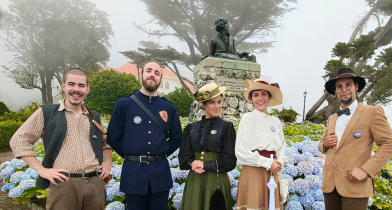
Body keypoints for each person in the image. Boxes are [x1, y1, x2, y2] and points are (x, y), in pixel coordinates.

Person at [10, 68, 112, 210]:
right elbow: (19, 140)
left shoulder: (94, 117)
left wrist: (107, 162)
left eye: (81, 85)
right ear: (64, 86)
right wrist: (42, 170)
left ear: (87, 89)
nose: (76, 89)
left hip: (95, 183)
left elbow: (107, 141)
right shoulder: (47, 113)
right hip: (64, 185)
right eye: (71, 84)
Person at [107, 61, 182, 210]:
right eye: (149, 71)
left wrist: (161, 152)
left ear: (160, 79)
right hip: (133, 173)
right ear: (141, 74)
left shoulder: (169, 107)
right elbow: (113, 137)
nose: (152, 75)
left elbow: (177, 138)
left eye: (157, 73)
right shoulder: (124, 104)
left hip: (160, 173)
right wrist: (131, 154)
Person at [320, 67, 392, 210]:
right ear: (335, 91)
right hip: (330, 185)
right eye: (339, 87)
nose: (344, 90)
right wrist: (325, 144)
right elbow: (322, 145)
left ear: (356, 87)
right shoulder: (332, 118)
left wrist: (366, 170)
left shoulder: (372, 113)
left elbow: (390, 144)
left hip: (354, 185)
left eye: (348, 85)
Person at [179, 83, 236, 210]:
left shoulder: (227, 128)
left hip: (216, 180)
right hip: (195, 181)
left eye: (219, 102)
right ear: (203, 104)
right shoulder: (191, 128)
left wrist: (205, 165)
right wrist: (192, 163)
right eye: (212, 103)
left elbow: (229, 161)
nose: (217, 106)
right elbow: (183, 158)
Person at [235, 78, 287, 210]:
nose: (260, 98)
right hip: (253, 172)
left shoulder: (275, 121)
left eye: (264, 94)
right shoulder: (248, 119)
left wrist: (278, 163)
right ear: (251, 98)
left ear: (269, 97)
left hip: (272, 172)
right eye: (255, 95)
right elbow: (241, 151)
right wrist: (268, 163)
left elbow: (281, 147)